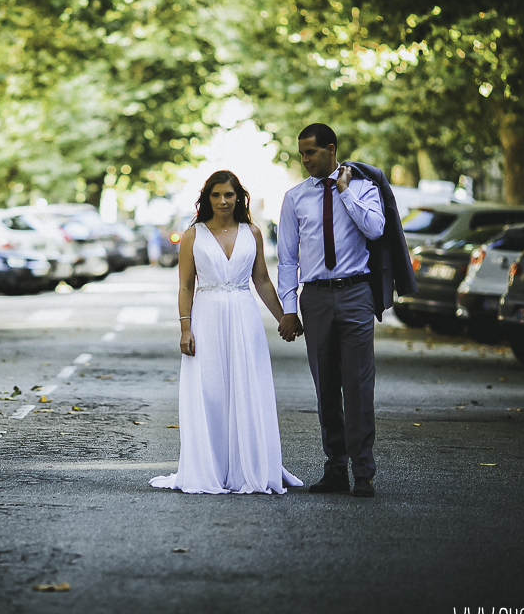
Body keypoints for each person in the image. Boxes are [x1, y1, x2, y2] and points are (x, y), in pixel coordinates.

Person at [276, 122, 412, 498]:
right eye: (301, 154)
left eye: (311, 153)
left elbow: (375, 228)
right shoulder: (294, 198)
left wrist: (345, 192)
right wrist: (289, 309)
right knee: (326, 387)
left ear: (331, 149)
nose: (305, 160)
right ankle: (335, 467)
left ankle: (363, 472)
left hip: (355, 295)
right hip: (315, 298)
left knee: (357, 386)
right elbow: (287, 259)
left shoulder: (363, 187)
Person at [151, 170, 304, 494]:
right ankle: (212, 466)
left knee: (247, 387)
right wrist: (185, 328)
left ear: (239, 198)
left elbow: (261, 280)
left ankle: (249, 464)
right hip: (206, 317)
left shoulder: (253, 232)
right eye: (216, 195)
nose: (223, 201)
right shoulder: (194, 234)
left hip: (244, 316)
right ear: (207, 198)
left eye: (229, 195)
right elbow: (185, 285)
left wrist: (285, 317)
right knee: (211, 392)